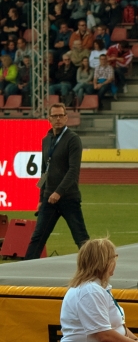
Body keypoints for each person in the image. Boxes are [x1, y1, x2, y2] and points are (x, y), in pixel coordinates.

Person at [25, 104, 90, 261]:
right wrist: (41, 198)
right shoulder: (46, 140)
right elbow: (44, 171)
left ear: (66, 118)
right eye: (55, 116)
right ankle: (24, 272)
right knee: (37, 238)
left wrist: (58, 192)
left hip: (68, 197)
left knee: (81, 239)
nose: (58, 119)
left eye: (61, 115)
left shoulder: (73, 140)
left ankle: (96, 269)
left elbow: (73, 171)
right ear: (49, 119)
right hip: (49, 198)